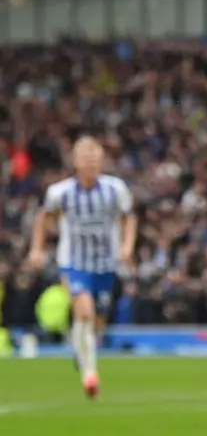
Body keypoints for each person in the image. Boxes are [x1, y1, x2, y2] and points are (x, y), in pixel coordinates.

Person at [26, 137, 136, 399]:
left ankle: (80, 350)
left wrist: (127, 246)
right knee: (84, 312)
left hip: (106, 264)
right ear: (76, 162)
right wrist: (37, 249)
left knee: (97, 321)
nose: (92, 164)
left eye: (96, 160)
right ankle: (90, 374)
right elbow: (42, 218)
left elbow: (128, 217)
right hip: (74, 263)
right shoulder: (60, 193)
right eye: (87, 160)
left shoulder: (115, 189)